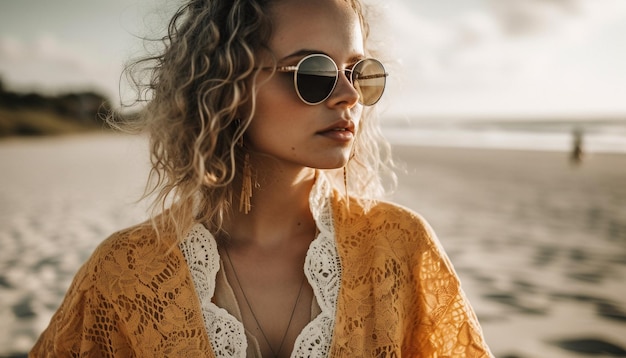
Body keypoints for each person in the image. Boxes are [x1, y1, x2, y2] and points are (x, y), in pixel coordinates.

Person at [31, 0, 493, 356]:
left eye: (359, 72)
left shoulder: (401, 247)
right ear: (224, 84)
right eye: (315, 72)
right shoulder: (124, 274)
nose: (349, 95)